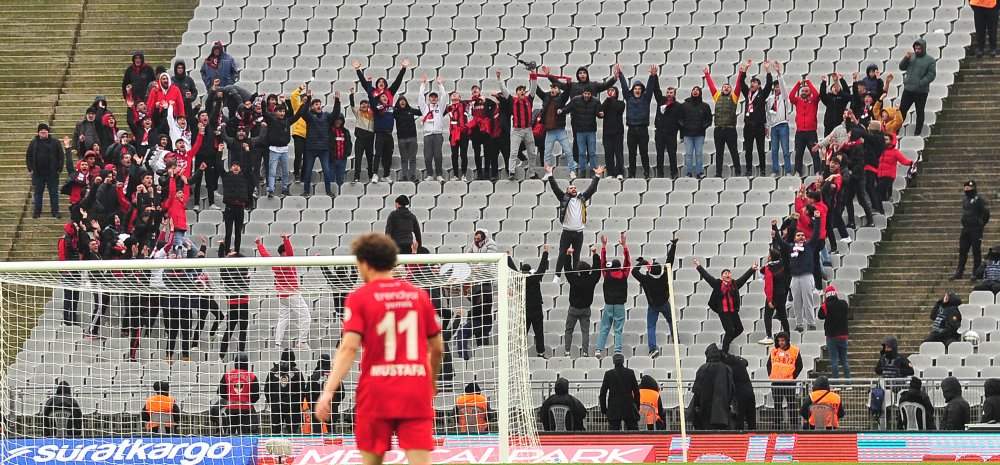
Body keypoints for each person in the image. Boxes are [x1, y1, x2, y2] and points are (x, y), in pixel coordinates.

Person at [314, 232, 444, 465]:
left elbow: (349, 348)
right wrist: (431, 380)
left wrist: (329, 390)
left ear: (364, 263)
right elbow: (438, 348)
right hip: (414, 388)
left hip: (376, 391)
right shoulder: (418, 296)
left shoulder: (359, 298)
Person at [546, 163, 603, 280]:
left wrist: (597, 176)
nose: (574, 189)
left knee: (576, 256)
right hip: (567, 232)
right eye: (571, 188)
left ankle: (575, 275)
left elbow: (591, 189)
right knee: (562, 254)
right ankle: (557, 276)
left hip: (579, 232)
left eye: (575, 188)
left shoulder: (582, 198)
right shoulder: (563, 198)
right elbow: (555, 188)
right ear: (567, 191)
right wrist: (550, 174)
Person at [256, 233, 312, 349]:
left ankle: (277, 344)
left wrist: (259, 245)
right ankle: (302, 342)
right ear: (284, 252)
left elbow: (266, 256)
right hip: (292, 293)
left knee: (283, 319)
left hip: (282, 296)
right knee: (305, 316)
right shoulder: (288, 261)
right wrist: (286, 239)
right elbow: (290, 252)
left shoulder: (275, 264)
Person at [693, 258, 758, 353]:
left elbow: (744, 278)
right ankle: (724, 351)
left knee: (739, 329)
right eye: (725, 273)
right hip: (724, 312)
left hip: (733, 311)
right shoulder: (717, 284)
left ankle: (726, 342)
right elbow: (707, 276)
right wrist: (699, 266)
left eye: (729, 272)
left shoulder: (734, 284)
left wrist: (752, 269)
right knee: (730, 331)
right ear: (722, 276)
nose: (727, 274)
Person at [773, 212, 822, 332]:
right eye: (798, 235)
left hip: (806, 276)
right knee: (797, 302)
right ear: (794, 238)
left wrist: (817, 219)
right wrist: (774, 228)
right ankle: (799, 324)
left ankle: (811, 323)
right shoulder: (791, 247)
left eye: (802, 235)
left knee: (808, 301)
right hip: (794, 277)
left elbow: (816, 234)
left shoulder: (809, 245)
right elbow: (780, 242)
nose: (800, 237)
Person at [633, 238, 678, 357]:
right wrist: (673, 245)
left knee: (651, 326)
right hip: (664, 303)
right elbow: (670, 261)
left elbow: (634, 272)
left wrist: (641, 263)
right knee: (671, 321)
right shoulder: (664, 277)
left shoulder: (646, 279)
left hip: (652, 306)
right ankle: (676, 340)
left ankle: (652, 349)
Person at [293, 90, 339, 196]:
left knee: (326, 171)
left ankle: (328, 191)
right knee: (308, 171)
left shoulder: (327, 116)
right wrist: (308, 99)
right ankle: (306, 191)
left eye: (319, 104)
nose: (319, 106)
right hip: (311, 148)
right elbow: (303, 113)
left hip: (323, 148)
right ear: (312, 107)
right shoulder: (309, 116)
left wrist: (337, 101)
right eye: (316, 104)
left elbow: (335, 114)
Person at [508, 245, 550, 358]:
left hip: (525, 309)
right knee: (539, 332)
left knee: (523, 332)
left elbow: (513, 269)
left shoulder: (519, 280)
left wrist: (507, 257)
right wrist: (545, 253)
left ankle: (519, 353)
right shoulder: (535, 278)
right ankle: (540, 352)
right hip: (536, 308)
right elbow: (542, 268)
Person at [617, 63, 657, 179]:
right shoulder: (628, 98)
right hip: (631, 130)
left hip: (643, 129)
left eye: (639, 89)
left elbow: (650, 88)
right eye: (636, 88)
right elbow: (624, 87)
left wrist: (652, 77)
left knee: (644, 152)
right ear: (633, 90)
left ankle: (646, 172)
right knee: (632, 154)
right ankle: (632, 173)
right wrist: (620, 74)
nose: (638, 90)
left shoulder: (646, 98)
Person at [704, 65, 744, 177]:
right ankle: (718, 173)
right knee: (719, 153)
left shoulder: (734, 97)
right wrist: (707, 75)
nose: (726, 88)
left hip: (730, 129)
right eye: (724, 87)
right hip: (718, 130)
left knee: (733, 151)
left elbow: (738, 86)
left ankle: (738, 172)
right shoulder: (717, 96)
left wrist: (740, 74)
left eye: (728, 87)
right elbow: (711, 86)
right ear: (721, 89)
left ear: (730, 90)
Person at [498, 71, 539, 180]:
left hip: (528, 130)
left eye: (523, 90)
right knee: (513, 152)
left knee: (532, 153)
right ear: (516, 93)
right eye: (519, 90)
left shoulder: (529, 99)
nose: (522, 91)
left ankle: (532, 173)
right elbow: (504, 90)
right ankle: (511, 173)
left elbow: (534, 87)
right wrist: (499, 79)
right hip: (517, 130)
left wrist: (533, 74)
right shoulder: (512, 100)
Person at [595, 233, 630, 359]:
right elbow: (628, 261)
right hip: (620, 305)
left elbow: (602, 262)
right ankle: (617, 350)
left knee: (605, 327)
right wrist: (624, 246)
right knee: (618, 329)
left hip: (608, 304)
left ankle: (599, 349)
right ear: (619, 267)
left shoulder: (606, 274)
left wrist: (604, 246)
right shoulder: (624, 273)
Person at [564, 245, 601, 357]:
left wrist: (568, 255)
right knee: (585, 332)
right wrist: (595, 254)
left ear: (579, 270)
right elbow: (597, 269)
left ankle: (567, 351)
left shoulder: (574, 279)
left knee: (568, 330)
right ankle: (585, 352)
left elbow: (567, 269)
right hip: (585, 309)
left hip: (574, 308)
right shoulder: (592, 279)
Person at [739, 60, 774, 176]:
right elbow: (741, 83)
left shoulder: (762, 94)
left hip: (759, 126)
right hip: (748, 125)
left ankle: (762, 170)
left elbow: (769, 84)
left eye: (754, 82)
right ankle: (748, 170)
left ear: (759, 85)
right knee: (748, 150)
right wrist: (746, 68)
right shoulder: (747, 94)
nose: (752, 84)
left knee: (760, 149)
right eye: (751, 82)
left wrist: (768, 69)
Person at [689, 343, 735, 430]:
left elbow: (697, 390)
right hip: (722, 411)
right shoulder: (726, 369)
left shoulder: (703, 368)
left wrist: (697, 405)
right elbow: (731, 389)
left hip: (705, 410)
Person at [897, 39, 937, 136]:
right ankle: (896, 130)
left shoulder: (930, 60)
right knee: (902, 110)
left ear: (923, 48)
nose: (917, 50)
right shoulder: (911, 57)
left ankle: (917, 132)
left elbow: (931, 75)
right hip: (908, 89)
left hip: (921, 91)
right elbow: (901, 67)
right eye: (916, 48)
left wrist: (920, 83)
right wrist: (906, 58)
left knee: (919, 111)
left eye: (919, 48)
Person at [953, 180, 991, 280]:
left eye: (969, 189)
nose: (967, 190)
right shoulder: (965, 200)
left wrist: (981, 225)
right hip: (966, 229)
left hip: (976, 229)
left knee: (976, 251)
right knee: (962, 250)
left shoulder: (980, 200)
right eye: (965, 189)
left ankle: (976, 272)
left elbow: (986, 214)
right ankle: (959, 271)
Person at [26, 122, 65, 218]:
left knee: (54, 193)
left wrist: (59, 169)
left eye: (45, 130)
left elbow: (61, 156)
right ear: (38, 132)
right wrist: (30, 168)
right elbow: (28, 156)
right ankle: (37, 211)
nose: (43, 131)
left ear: (48, 131)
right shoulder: (33, 143)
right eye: (41, 130)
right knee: (38, 193)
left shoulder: (55, 142)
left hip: (52, 173)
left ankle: (55, 211)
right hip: (38, 174)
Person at [560, 89, 602, 177]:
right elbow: (568, 108)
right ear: (583, 93)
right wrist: (562, 111)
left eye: (588, 94)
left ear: (591, 94)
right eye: (585, 93)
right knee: (581, 152)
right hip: (580, 130)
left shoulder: (596, 101)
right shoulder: (576, 100)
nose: (587, 95)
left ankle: (593, 170)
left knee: (592, 152)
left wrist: (601, 114)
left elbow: (598, 114)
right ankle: (582, 170)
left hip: (591, 131)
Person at [265, 349, 308, 434]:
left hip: (276, 406)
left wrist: (271, 403)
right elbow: (302, 391)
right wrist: (299, 404)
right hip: (292, 407)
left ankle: (275, 447)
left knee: (275, 432)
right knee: (292, 432)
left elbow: (267, 390)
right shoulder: (297, 373)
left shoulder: (273, 372)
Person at [467, 229, 497, 347]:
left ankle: (485, 337)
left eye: (478, 239)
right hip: (476, 279)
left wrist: (477, 267)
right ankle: (478, 337)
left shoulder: (491, 244)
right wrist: (472, 266)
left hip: (486, 279)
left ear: (484, 238)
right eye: (475, 239)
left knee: (485, 308)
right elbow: (467, 256)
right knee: (476, 307)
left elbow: (488, 260)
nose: (476, 241)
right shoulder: (473, 245)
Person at [768, 332, 803, 429]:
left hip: (789, 381)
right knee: (777, 404)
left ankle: (794, 424)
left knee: (791, 403)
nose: (781, 342)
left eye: (783, 340)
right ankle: (777, 425)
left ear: (787, 340)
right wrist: (771, 374)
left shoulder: (794, 350)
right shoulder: (773, 350)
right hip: (776, 381)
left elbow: (799, 365)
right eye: (779, 340)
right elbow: (769, 364)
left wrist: (793, 376)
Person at [219, 352, 261, 434]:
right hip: (245, 409)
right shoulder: (252, 376)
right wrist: (249, 400)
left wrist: (230, 397)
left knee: (231, 432)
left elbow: (221, 391)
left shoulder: (227, 375)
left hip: (231, 408)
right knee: (244, 433)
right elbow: (256, 394)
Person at [678, 85, 713, 178]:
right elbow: (680, 118)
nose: (695, 91)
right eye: (694, 89)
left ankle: (699, 172)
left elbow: (709, 119)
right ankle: (689, 172)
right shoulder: (684, 105)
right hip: (687, 134)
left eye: (697, 90)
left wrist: (702, 127)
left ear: (700, 93)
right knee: (688, 154)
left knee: (698, 154)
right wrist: (685, 126)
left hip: (699, 134)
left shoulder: (705, 106)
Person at [598, 353, 640, 431]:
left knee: (613, 434)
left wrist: (603, 409)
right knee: (633, 432)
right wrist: (637, 406)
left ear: (613, 362)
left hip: (614, 407)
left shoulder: (608, 374)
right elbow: (636, 392)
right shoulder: (630, 372)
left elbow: (603, 393)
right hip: (628, 407)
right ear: (623, 361)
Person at [419, 75, 448, 182]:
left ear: (437, 98)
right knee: (427, 157)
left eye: (435, 97)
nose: (433, 98)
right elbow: (420, 96)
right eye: (431, 97)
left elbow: (444, 96)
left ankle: (439, 175)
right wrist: (423, 84)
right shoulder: (425, 108)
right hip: (427, 135)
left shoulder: (440, 108)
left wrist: (440, 84)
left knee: (438, 156)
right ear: (429, 98)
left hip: (438, 134)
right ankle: (430, 175)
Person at [765, 61, 792, 176]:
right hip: (774, 127)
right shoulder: (770, 99)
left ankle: (788, 171)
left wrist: (778, 72)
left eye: (778, 87)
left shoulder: (784, 97)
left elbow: (784, 87)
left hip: (783, 125)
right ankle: (775, 170)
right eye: (775, 87)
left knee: (786, 150)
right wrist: (767, 126)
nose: (777, 89)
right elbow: (768, 114)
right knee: (774, 151)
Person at [818, 285, 851, 378]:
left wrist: (824, 302)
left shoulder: (825, 306)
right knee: (844, 361)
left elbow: (820, 315)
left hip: (831, 337)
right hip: (843, 336)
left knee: (834, 361)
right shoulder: (844, 303)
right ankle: (848, 383)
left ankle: (836, 383)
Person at [760, 247, 791, 344]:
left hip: (773, 296)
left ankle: (769, 336)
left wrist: (769, 300)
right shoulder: (782, 264)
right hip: (782, 294)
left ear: (770, 258)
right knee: (783, 317)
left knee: (767, 316)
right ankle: (788, 335)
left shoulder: (769, 269)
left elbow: (769, 285)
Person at [652, 82, 682, 178]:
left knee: (672, 154)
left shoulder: (678, 106)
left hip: (671, 133)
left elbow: (680, 121)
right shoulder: (661, 101)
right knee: (659, 154)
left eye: (671, 92)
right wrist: (654, 77)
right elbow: (656, 90)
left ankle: (674, 173)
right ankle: (660, 174)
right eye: (668, 92)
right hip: (660, 132)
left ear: (674, 94)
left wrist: (680, 134)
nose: (669, 94)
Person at [309, 354, 344, 433]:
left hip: (317, 408)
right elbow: (342, 393)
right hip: (332, 407)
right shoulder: (335, 376)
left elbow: (308, 393)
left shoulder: (314, 377)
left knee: (316, 434)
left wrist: (313, 405)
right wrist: (335, 403)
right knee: (332, 433)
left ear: (319, 362)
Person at [721, 351, 756, 430]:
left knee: (739, 418)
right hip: (749, 391)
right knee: (751, 418)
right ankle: (753, 436)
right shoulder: (739, 361)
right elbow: (746, 362)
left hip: (739, 394)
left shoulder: (727, 367)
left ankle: (740, 437)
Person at [393, 96, 422, 182]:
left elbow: (421, 112)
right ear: (398, 103)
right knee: (404, 159)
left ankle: (413, 176)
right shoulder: (395, 111)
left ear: (406, 102)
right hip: (401, 139)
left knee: (412, 158)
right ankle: (404, 176)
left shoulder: (410, 110)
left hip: (412, 138)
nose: (402, 102)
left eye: (404, 100)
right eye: (400, 101)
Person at [601, 86, 627, 179]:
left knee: (618, 153)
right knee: (608, 153)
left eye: (612, 90)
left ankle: (620, 172)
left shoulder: (620, 103)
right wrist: (608, 100)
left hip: (618, 132)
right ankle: (610, 173)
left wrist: (611, 99)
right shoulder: (606, 103)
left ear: (616, 92)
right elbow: (601, 109)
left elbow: (618, 108)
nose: (610, 92)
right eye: (609, 90)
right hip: (607, 132)